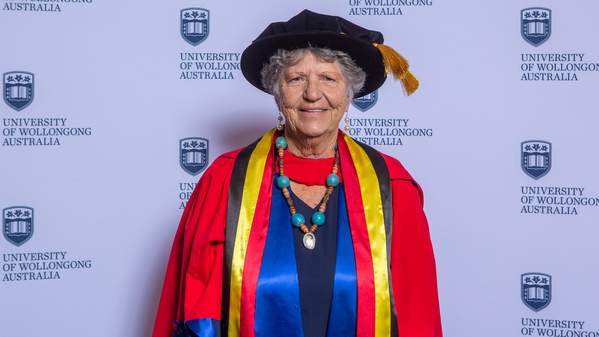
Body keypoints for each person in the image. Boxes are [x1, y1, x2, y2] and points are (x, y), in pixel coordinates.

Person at [152, 9, 442, 337]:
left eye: (328, 79)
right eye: (296, 79)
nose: (312, 94)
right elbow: (195, 313)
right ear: (277, 92)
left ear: (349, 95)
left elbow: (419, 317)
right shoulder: (225, 182)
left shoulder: (392, 185)